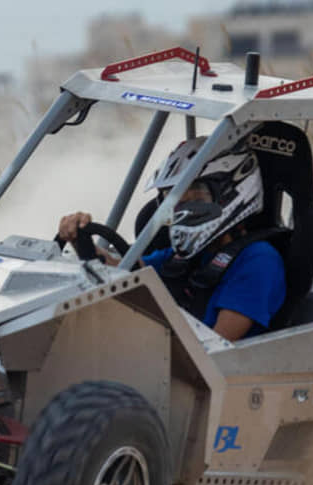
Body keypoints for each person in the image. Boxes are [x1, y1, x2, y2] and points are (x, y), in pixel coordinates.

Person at [57, 137, 285, 341]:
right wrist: (79, 237)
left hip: (212, 377)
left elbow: (217, 346)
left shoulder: (259, 260)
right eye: (175, 197)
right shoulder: (189, 255)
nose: (183, 208)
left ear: (233, 193)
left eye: (196, 195)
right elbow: (121, 272)